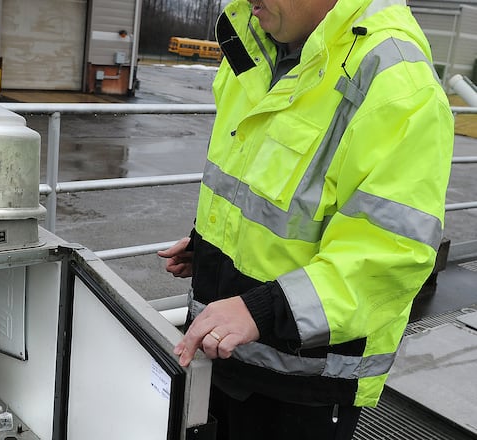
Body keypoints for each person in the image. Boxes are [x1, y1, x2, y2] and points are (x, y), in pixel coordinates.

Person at [158, 0, 454, 437]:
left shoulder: (396, 81)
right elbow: (258, 182)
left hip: (304, 384)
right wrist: (211, 246)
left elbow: (390, 255)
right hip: (225, 357)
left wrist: (262, 309)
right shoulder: (259, 44)